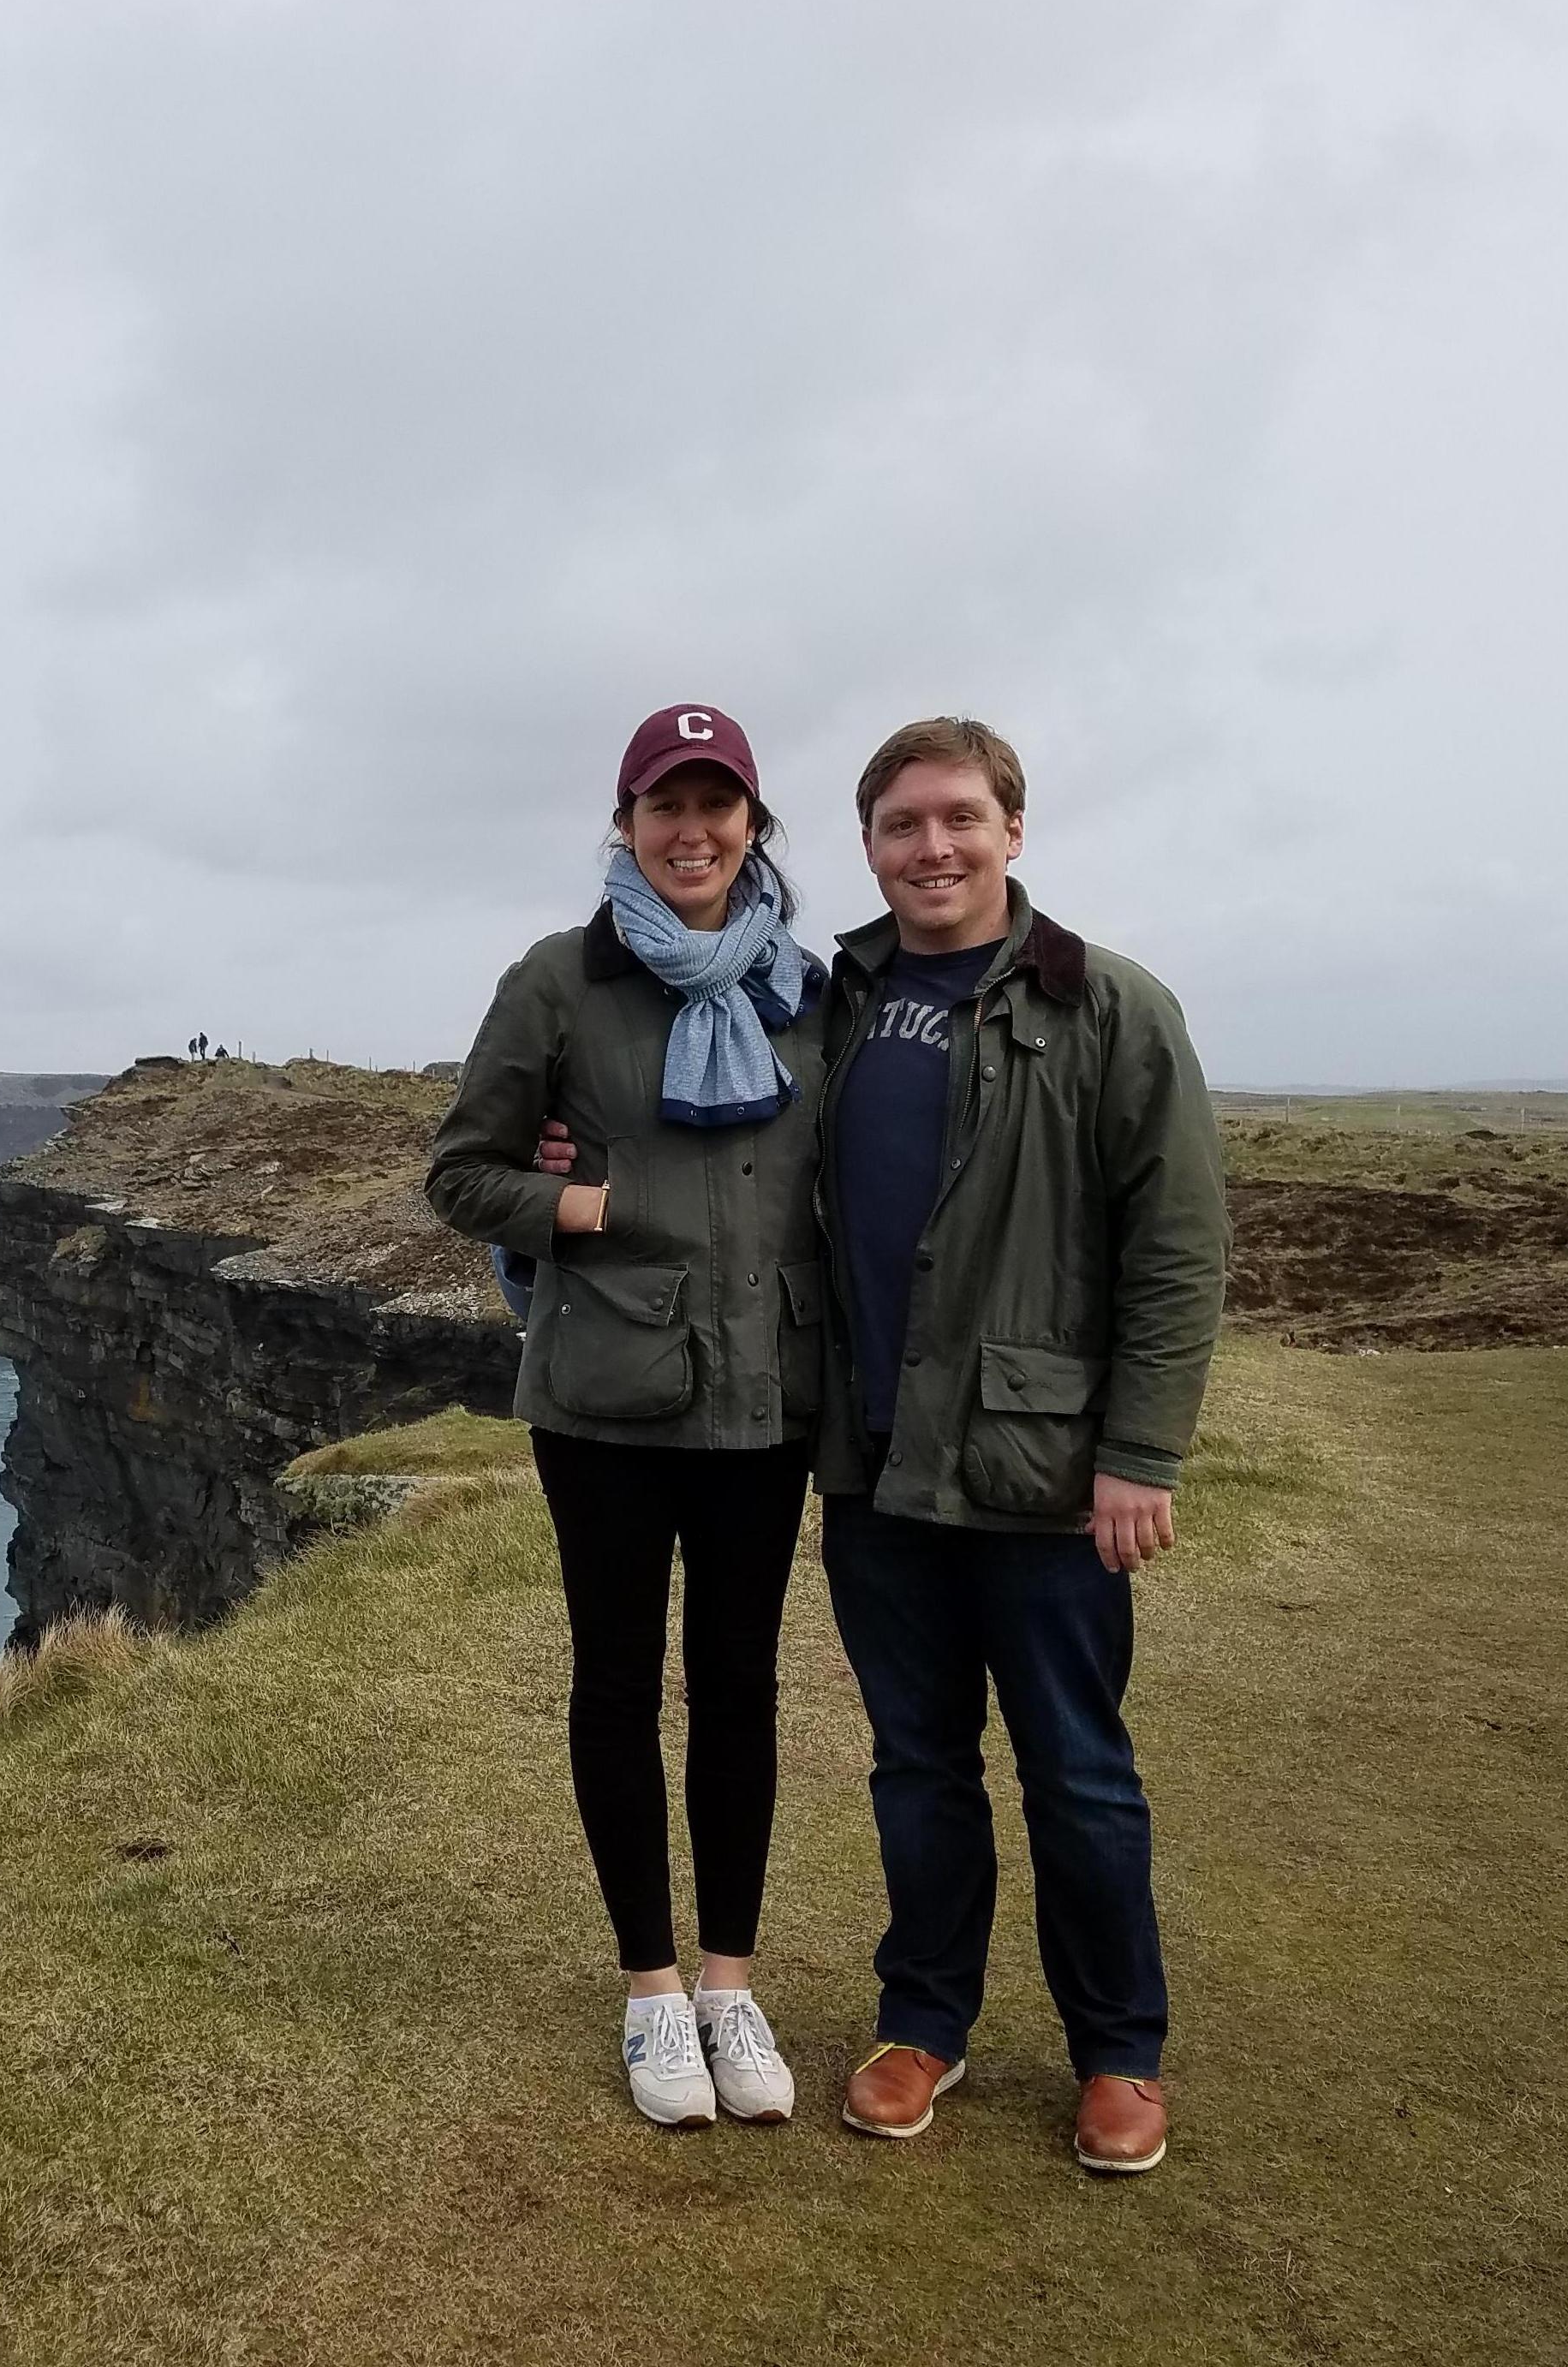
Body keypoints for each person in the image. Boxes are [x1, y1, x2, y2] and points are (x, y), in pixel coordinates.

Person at [814, 717, 1227, 2172]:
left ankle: (1121, 2053)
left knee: (1079, 1771)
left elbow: (1175, 1253)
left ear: (1013, 830)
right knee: (916, 1767)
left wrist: (1143, 1453)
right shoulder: (837, 1000)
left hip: (1043, 1474)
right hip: (873, 1466)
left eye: (959, 819)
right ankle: (924, 2021)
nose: (932, 848)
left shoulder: (1108, 1006)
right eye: (901, 825)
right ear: (867, 844)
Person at [426, 704, 828, 2129]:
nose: (693, 832)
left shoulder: (807, 989)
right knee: (616, 1681)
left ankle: (731, 1980)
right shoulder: (557, 980)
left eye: (720, 807)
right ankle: (653, 1991)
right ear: (626, 822)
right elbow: (463, 1174)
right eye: (667, 805)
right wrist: (583, 1203)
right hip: (601, 1399)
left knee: (740, 1687)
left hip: (767, 1401)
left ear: (755, 829)